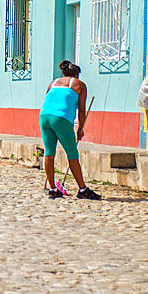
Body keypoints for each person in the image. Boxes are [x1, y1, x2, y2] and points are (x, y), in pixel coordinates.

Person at [39, 60, 101, 200]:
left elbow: (49, 99)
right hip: (61, 119)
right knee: (72, 154)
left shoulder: (53, 83)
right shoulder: (79, 85)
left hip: (44, 116)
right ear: (76, 75)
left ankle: (53, 188)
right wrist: (80, 128)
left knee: (49, 153)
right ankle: (83, 189)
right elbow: (81, 110)